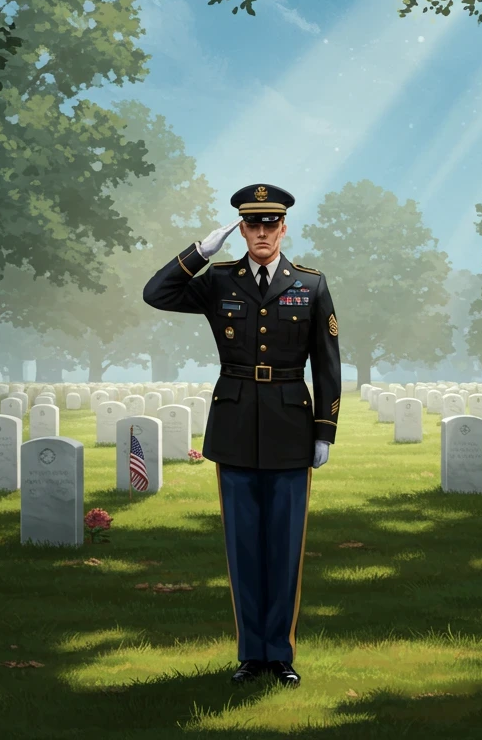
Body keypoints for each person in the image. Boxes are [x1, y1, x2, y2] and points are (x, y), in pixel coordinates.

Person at [142, 183, 341, 688]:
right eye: (252, 224)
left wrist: (325, 430)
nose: (262, 233)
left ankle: (281, 652)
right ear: (242, 230)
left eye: (270, 224)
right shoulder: (219, 280)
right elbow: (156, 293)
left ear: (284, 227)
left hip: (291, 429)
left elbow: (328, 365)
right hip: (233, 428)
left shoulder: (311, 285)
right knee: (244, 549)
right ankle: (251, 654)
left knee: (284, 547)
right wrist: (199, 252)